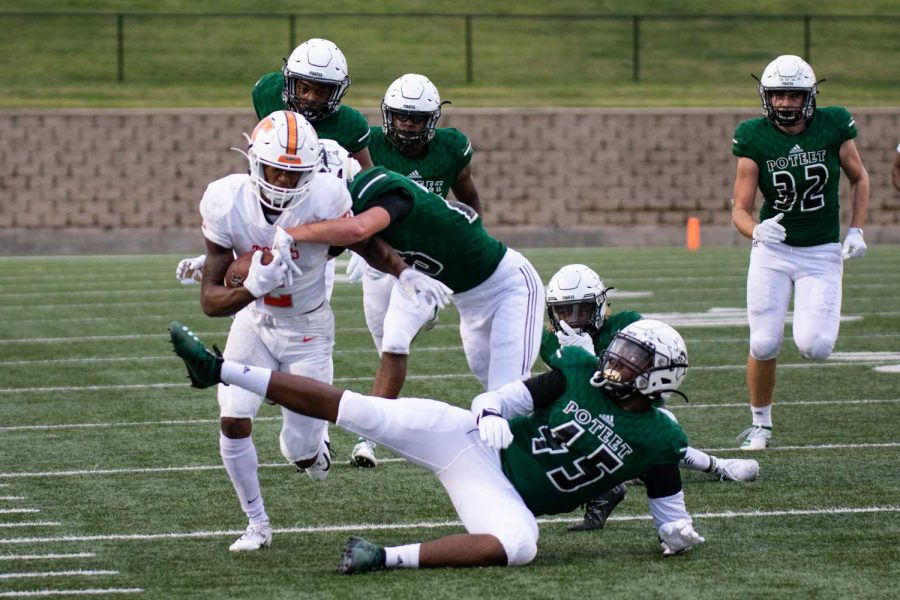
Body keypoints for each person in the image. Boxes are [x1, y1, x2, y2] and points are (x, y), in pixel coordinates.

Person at [169, 318, 706, 572]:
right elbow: (504, 397)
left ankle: (383, 557)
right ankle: (219, 368)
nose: (617, 364)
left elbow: (671, 513)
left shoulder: (661, 438)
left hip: (501, 494)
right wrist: (492, 409)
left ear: (659, 379)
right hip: (466, 437)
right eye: (620, 352)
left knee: (521, 546)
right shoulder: (580, 372)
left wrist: (676, 534)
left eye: (633, 361)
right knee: (358, 408)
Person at [193, 110, 448, 552]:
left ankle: (316, 451)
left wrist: (404, 274)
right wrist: (252, 286)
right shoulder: (224, 198)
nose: (282, 181)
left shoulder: (326, 195)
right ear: (254, 161)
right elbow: (211, 302)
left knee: (300, 450)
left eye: (294, 173)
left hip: (308, 329)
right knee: (233, 420)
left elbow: (366, 243)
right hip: (253, 324)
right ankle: (257, 523)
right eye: (274, 169)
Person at [280, 165, 544, 425]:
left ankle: (548, 450)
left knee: (506, 390)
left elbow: (358, 230)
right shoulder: (346, 210)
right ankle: (540, 437)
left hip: (509, 285)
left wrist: (285, 234)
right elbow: (351, 248)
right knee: (491, 382)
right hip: (468, 299)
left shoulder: (376, 187)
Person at [540, 264, 759, 531]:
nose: (571, 321)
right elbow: (570, 394)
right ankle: (605, 487)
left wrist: (592, 362)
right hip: (588, 418)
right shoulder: (549, 343)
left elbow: (641, 391)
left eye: (581, 310)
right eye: (563, 311)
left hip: (632, 412)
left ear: (598, 307)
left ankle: (716, 466)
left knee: (662, 424)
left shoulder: (628, 324)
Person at [342, 73, 483, 467]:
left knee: (395, 341)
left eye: (416, 118)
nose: (407, 124)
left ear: (433, 120)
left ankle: (366, 438)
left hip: (427, 261)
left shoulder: (452, 149)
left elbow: (469, 200)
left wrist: (469, 246)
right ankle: (385, 411)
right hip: (382, 257)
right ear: (388, 115)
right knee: (382, 340)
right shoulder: (367, 145)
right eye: (401, 116)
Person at [731, 55, 869, 450]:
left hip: (821, 252)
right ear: (766, 97)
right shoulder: (753, 136)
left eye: (794, 94)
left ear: (810, 96)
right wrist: (758, 231)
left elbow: (860, 178)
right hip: (772, 252)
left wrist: (856, 229)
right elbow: (738, 210)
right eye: (779, 95)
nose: (787, 103)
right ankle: (761, 424)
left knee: (816, 346)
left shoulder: (833, 124)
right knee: (763, 343)